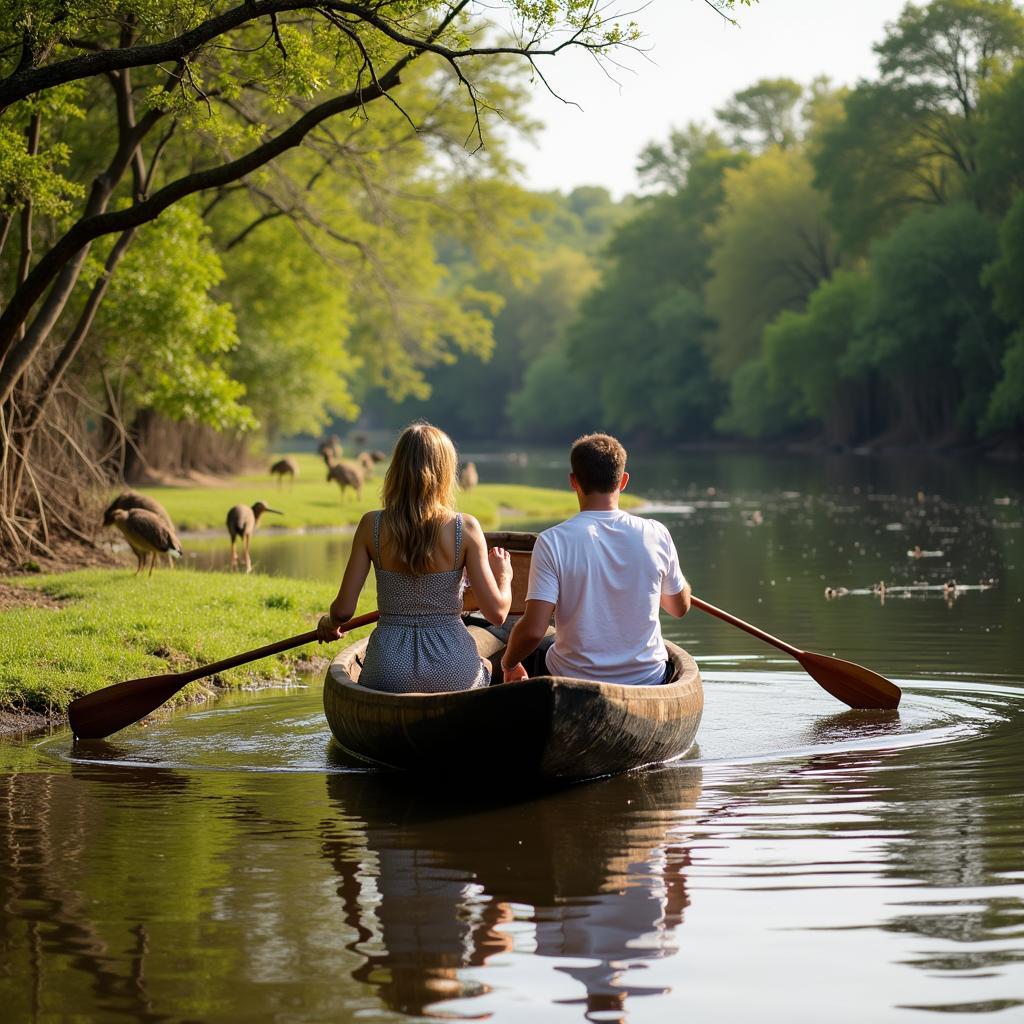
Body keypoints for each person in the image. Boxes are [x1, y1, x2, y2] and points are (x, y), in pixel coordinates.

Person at [317, 423, 512, 691]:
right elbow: (498, 613)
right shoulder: (464, 528)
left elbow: (342, 611)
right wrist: (504, 576)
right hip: (453, 669)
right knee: (488, 667)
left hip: (387, 671)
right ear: (445, 471)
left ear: (396, 468)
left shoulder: (370, 526)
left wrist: (330, 623)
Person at [500, 433, 690, 685]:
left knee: (527, 646)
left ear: (573, 481)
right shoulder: (656, 534)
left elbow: (533, 630)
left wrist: (509, 663)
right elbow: (679, 607)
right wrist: (679, 584)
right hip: (647, 680)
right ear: (623, 481)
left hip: (572, 681)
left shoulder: (552, 541)